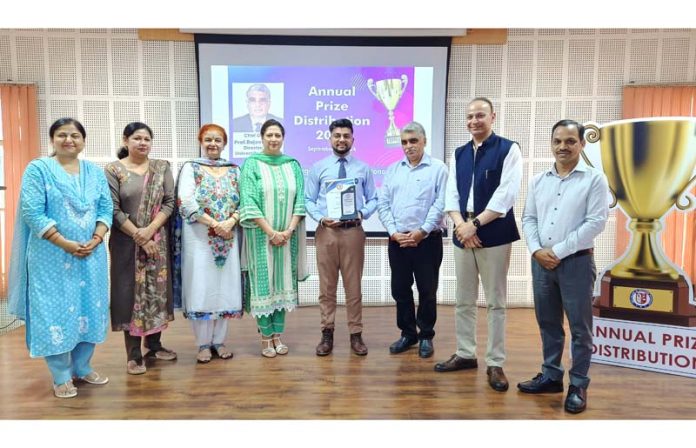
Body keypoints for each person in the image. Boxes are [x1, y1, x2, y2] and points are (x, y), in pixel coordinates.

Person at [8, 118, 112, 398]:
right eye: (62, 135)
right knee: (53, 311)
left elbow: (106, 208)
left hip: (91, 255)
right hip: (50, 256)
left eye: (76, 135)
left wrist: (97, 237)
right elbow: (32, 212)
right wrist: (64, 243)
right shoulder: (38, 169)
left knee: (89, 308)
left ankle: (82, 366)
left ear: (83, 140)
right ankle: (61, 375)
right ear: (52, 139)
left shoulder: (94, 171)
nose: (69, 140)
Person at [518, 119, 609, 414]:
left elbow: (595, 222)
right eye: (557, 141)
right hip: (541, 263)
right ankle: (551, 376)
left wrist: (556, 251)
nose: (563, 147)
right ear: (551, 143)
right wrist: (536, 250)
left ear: (582, 144)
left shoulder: (594, 179)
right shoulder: (538, 180)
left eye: (570, 141)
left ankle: (579, 384)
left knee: (581, 328)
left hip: (576, 263)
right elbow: (528, 218)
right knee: (548, 323)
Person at [434, 97, 522, 394]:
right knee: (464, 299)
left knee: (495, 301)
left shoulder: (509, 149)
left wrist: (476, 224)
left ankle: (495, 362)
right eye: (470, 116)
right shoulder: (458, 153)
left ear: (492, 117)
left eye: (480, 115)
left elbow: (506, 195)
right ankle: (465, 354)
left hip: (493, 231)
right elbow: (450, 195)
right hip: (463, 232)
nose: (474, 121)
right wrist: (461, 225)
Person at [105, 122, 177, 375]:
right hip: (127, 245)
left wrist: (150, 231)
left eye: (147, 139)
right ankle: (133, 354)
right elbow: (112, 209)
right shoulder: (113, 170)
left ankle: (154, 345)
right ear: (126, 141)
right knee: (129, 294)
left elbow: (169, 202)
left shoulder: (161, 167)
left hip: (157, 241)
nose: (142, 143)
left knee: (156, 292)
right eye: (137, 138)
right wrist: (139, 235)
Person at [305, 118, 377, 356]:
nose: (342, 140)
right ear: (330, 138)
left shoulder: (363, 168)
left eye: (346, 136)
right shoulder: (319, 168)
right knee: (327, 288)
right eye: (337, 135)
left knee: (353, 287)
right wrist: (321, 218)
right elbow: (308, 200)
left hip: (353, 232)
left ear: (353, 139)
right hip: (327, 232)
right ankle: (327, 333)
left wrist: (361, 212)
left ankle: (356, 335)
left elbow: (374, 199)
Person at [172, 124, 243, 363]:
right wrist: (215, 223)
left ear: (225, 143)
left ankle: (219, 341)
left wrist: (231, 221)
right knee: (201, 286)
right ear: (200, 141)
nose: (213, 144)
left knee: (225, 287)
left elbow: (246, 201)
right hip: (199, 239)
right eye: (208, 139)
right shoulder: (191, 168)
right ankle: (203, 344)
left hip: (229, 238)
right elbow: (186, 202)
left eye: (218, 140)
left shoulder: (234, 170)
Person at [377, 122, 448, 358]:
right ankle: (408, 334)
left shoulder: (438, 169)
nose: (409, 146)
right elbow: (383, 203)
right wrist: (393, 232)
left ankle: (426, 335)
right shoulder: (392, 170)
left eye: (413, 141)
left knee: (427, 290)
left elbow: (441, 203)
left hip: (427, 240)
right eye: (405, 142)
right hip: (398, 240)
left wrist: (422, 231)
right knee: (400, 289)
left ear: (424, 141)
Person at [239, 119, 307, 358]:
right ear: (262, 137)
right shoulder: (252, 165)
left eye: (278, 135)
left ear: (283, 137)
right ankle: (265, 338)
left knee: (283, 286)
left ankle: (278, 335)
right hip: (260, 237)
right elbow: (248, 201)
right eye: (269, 135)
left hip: (288, 239)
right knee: (264, 286)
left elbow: (301, 200)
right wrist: (270, 232)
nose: (274, 139)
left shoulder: (293, 165)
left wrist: (288, 231)